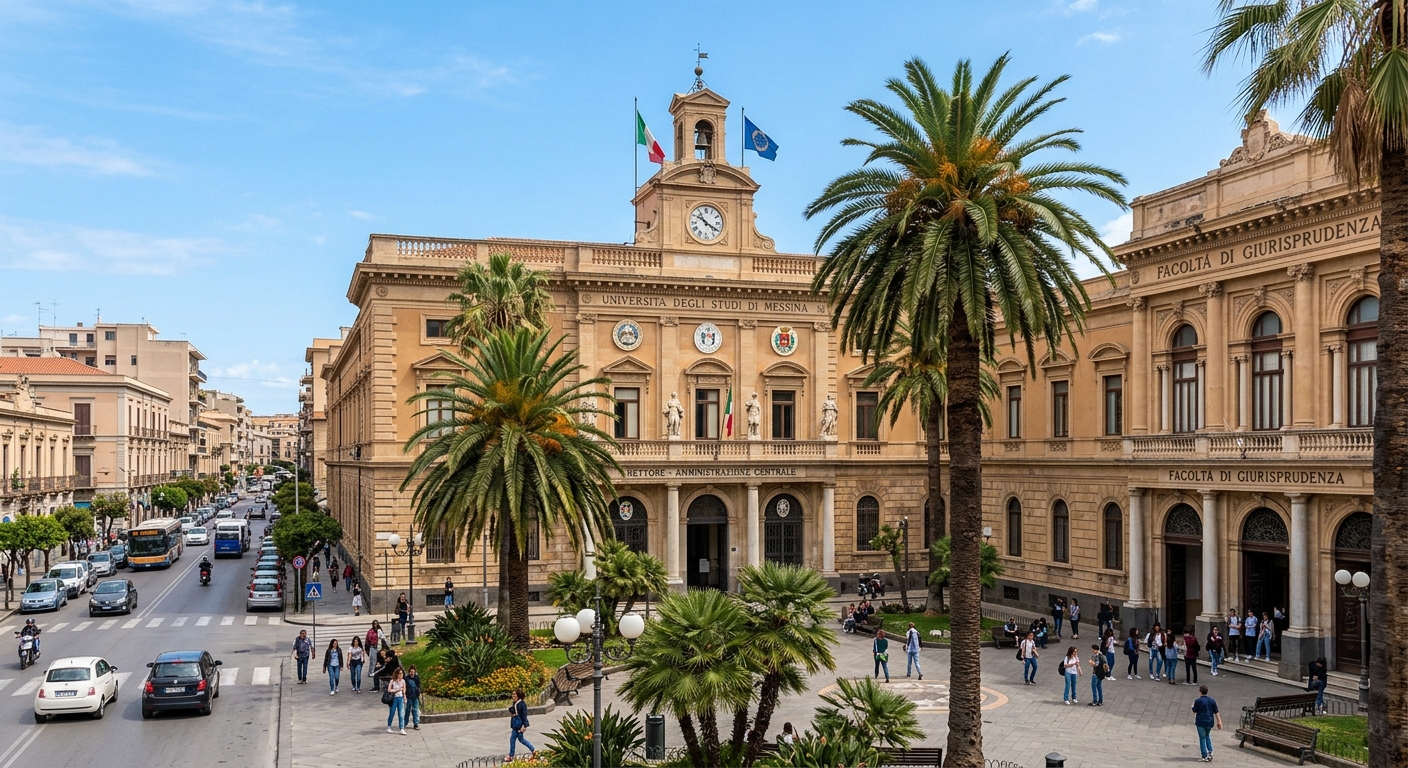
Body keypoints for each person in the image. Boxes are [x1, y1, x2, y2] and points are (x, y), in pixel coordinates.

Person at [1191, 684, 1223, 762]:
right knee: (1207, 736)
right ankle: (1210, 751)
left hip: (1200, 722)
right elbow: (1216, 712)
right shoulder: (1212, 701)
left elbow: (1194, 710)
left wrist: (1192, 706)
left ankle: (1204, 755)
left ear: (1200, 692)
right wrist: (1219, 721)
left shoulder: (1198, 701)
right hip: (1209, 722)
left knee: (1202, 738)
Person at [507, 687, 536, 760]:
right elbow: (512, 709)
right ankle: (533, 750)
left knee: (515, 739)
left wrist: (524, 726)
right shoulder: (515, 703)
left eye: (514, 694)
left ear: (518, 695)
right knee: (518, 739)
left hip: (519, 725)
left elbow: (524, 715)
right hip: (515, 724)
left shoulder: (522, 704)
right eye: (512, 694)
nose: (513, 696)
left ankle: (511, 755)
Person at [385, 667, 407, 735]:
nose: (401, 675)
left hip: (400, 698)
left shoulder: (403, 681)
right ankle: (389, 726)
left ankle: (402, 728)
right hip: (394, 698)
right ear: (397, 674)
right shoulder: (393, 681)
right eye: (400, 673)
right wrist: (396, 690)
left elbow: (404, 689)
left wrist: (405, 697)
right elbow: (389, 690)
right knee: (392, 712)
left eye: (402, 673)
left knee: (401, 713)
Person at [405, 665, 421, 730]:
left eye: (413, 672)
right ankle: (405, 722)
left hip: (415, 696)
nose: (412, 673)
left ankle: (416, 723)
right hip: (409, 696)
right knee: (407, 710)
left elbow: (419, 685)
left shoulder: (416, 678)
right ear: (409, 672)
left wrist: (418, 691)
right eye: (411, 672)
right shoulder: (407, 678)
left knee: (415, 710)